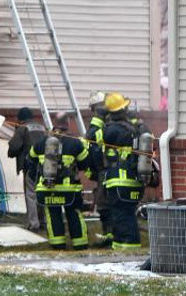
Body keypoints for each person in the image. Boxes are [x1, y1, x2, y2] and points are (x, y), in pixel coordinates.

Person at [29, 112, 90, 250]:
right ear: (67, 125)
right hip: (69, 190)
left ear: (54, 123)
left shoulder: (41, 142)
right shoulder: (75, 143)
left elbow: (30, 160)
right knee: (74, 214)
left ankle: (58, 244)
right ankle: (80, 244)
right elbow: (85, 163)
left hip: (47, 188)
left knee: (52, 216)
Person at [103, 92, 151, 251]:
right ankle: (121, 248)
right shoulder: (135, 130)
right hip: (134, 180)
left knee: (121, 216)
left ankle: (127, 250)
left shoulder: (112, 130)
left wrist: (98, 119)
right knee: (126, 215)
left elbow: (94, 140)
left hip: (119, 181)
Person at [7, 107, 45, 231]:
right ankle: (43, 221)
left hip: (30, 165)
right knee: (42, 193)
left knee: (31, 194)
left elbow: (14, 147)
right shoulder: (42, 127)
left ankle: (34, 224)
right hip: (45, 166)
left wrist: (11, 151)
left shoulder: (23, 128)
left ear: (20, 119)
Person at [85, 90, 112, 246]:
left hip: (106, 170)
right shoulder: (104, 125)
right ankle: (109, 234)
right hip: (105, 169)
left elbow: (93, 146)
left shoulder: (100, 126)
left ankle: (110, 236)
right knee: (105, 204)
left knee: (104, 205)